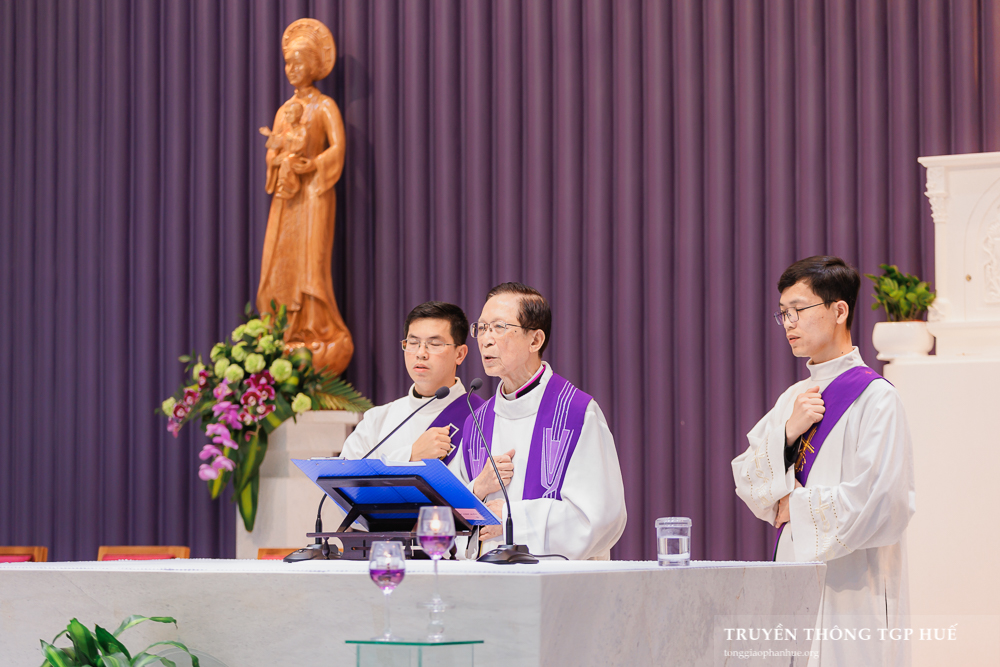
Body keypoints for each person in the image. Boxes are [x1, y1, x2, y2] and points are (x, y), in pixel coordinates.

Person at [731, 256, 915, 666]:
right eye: (783, 313)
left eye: (798, 310)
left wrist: (793, 507)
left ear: (839, 310)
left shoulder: (877, 399)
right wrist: (787, 433)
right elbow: (746, 476)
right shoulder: (793, 398)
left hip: (853, 587)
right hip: (795, 574)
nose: (789, 323)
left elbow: (883, 501)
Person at [452, 282, 627, 560]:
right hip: (484, 579)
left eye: (499, 327)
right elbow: (447, 519)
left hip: (555, 582)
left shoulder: (576, 413)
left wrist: (512, 519)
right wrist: (476, 490)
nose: (485, 339)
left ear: (535, 340)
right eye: (481, 328)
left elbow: (600, 519)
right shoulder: (477, 421)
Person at [257, 18, 353, 376]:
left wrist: (312, 164)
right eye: (288, 63)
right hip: (287, 198)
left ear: (314, 65)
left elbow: (337, 148)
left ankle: (316, 328)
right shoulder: (284, 110)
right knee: (280, 264)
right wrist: (278, 159)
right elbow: (272, 150)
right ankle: (285, 330)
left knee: (311, 266)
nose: (292, 69)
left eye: (299, 62)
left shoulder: (324, 106)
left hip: (313, 196)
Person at [339, 302, 485, 463]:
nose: (421, 353)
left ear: (460, 354)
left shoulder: (482, 417)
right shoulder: (376, 420)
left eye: (434, 344)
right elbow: (345, 475)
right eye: (413, 343)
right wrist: (410, 455)